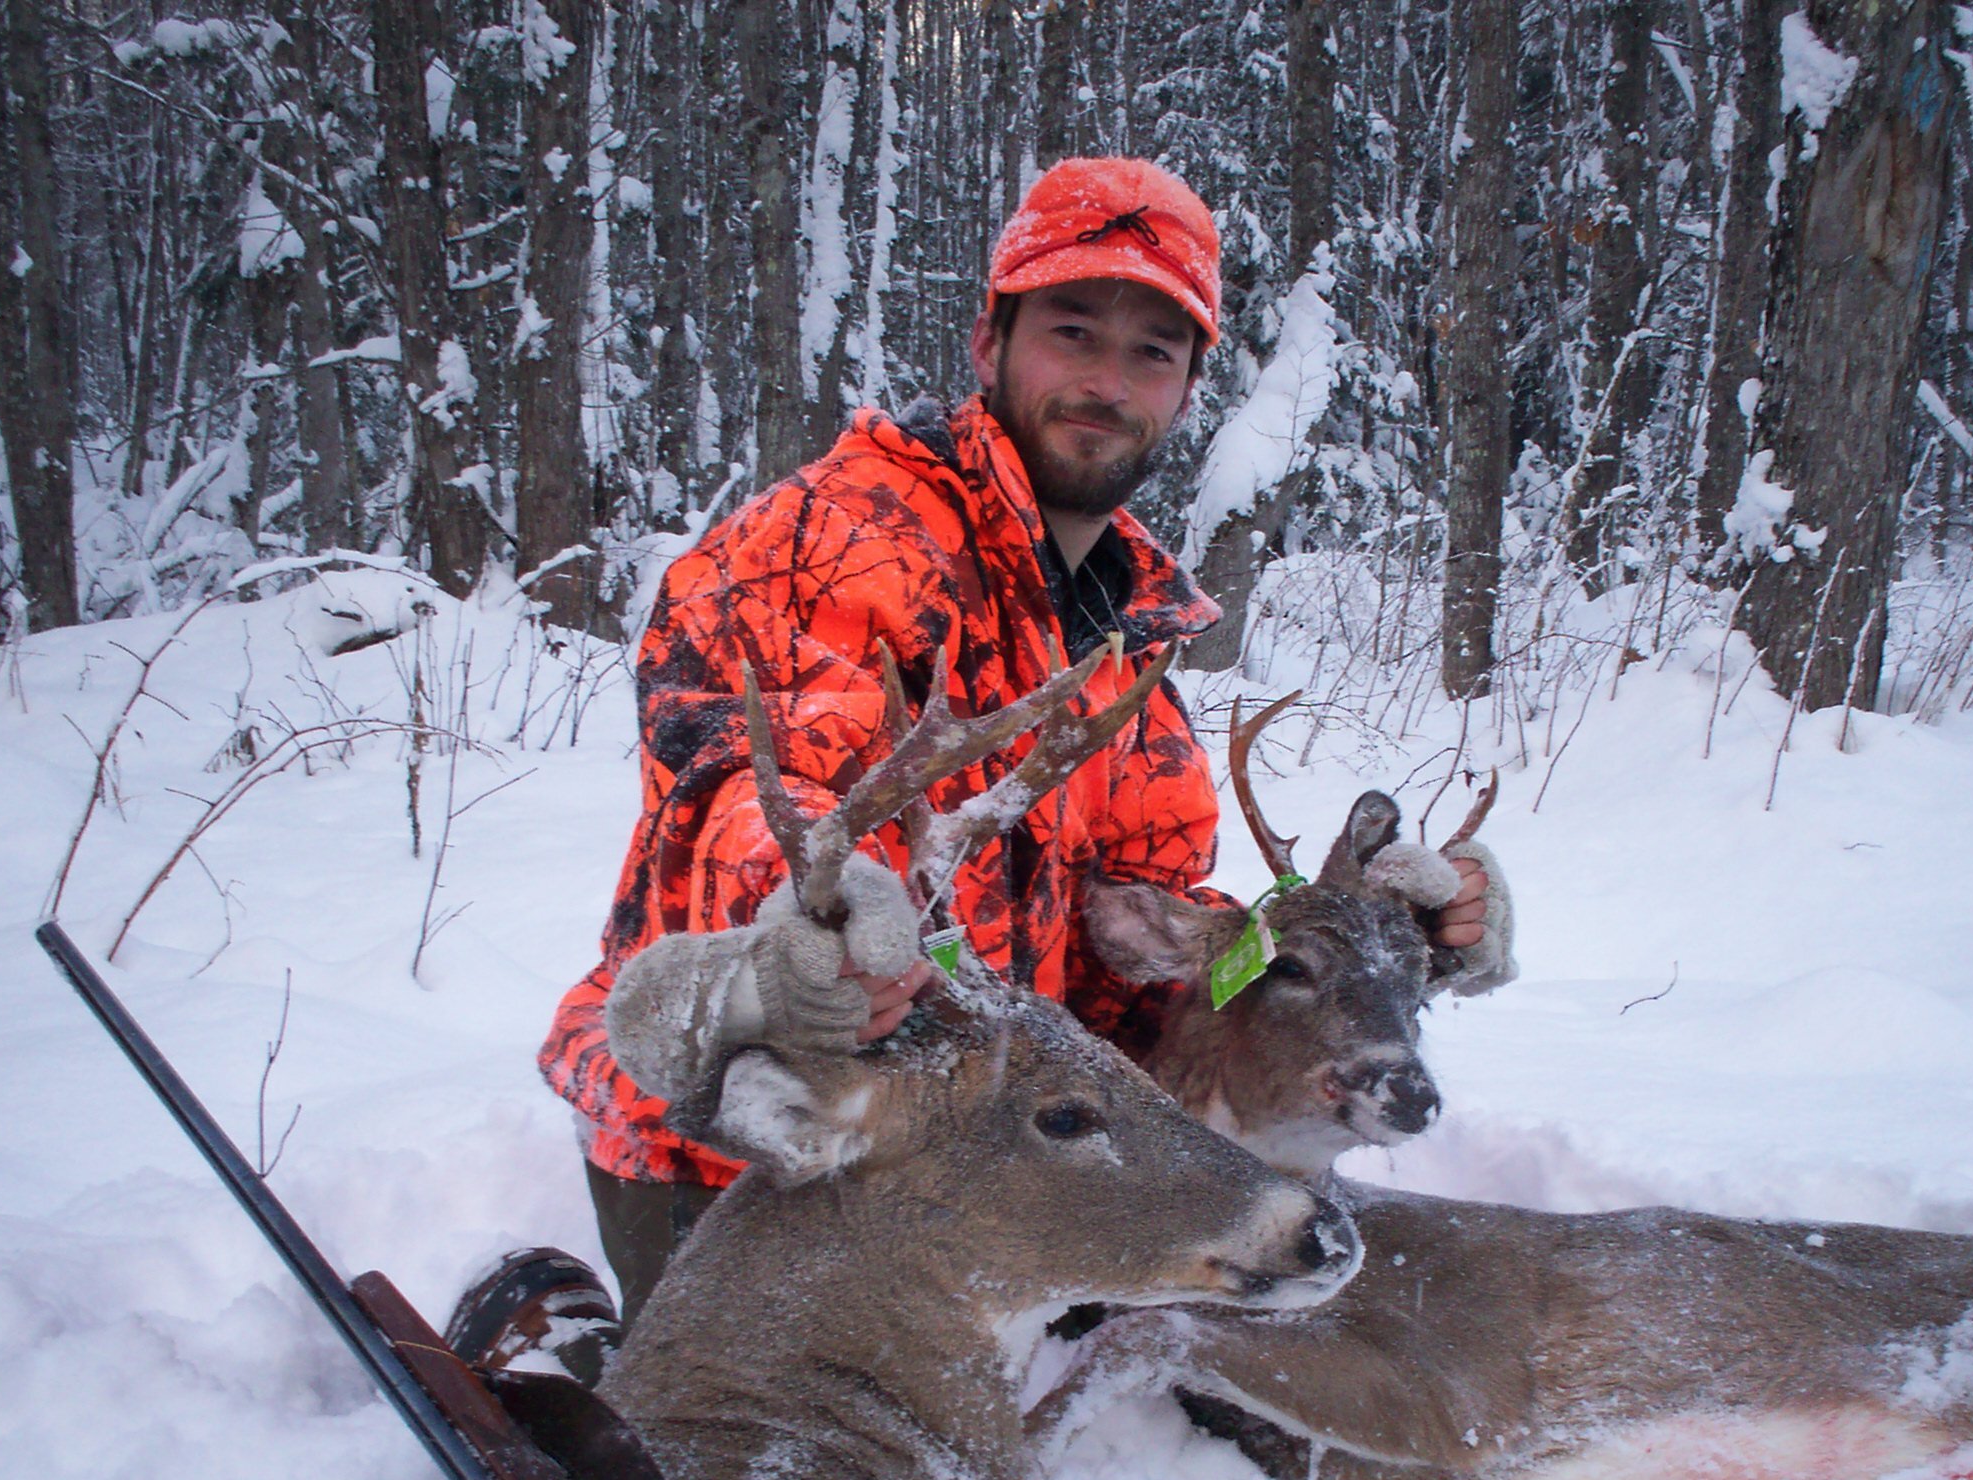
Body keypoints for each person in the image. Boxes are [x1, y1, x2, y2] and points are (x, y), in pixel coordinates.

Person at [453, 157, 1505, 1379]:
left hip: (1011, 1135)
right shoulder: (831, 540)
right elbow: (749, 801)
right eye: (1072, 332)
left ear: (1185, 389)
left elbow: (1150, 940)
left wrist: (1377, 946)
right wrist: (816, 929)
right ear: (989, 337)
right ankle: (552, 1337)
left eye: (1152, 352)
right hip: (778, 1130)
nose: (1107, 383)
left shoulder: (1127, 633)